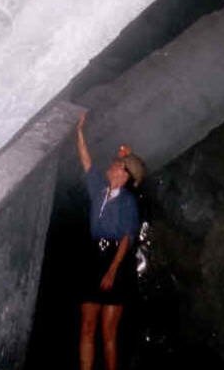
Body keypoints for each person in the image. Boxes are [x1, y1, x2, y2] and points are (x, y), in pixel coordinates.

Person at [76, 112, 146, 370]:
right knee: (87, 327)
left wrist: (112, 271)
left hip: (116, 262)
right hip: (94, 258)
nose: (111, 164)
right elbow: (86, 162)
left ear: (123, 174)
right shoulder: (99, 189)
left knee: (108, 332)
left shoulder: (127, 202)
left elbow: (127, 237)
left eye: (117, 163)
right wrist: (79, 131)